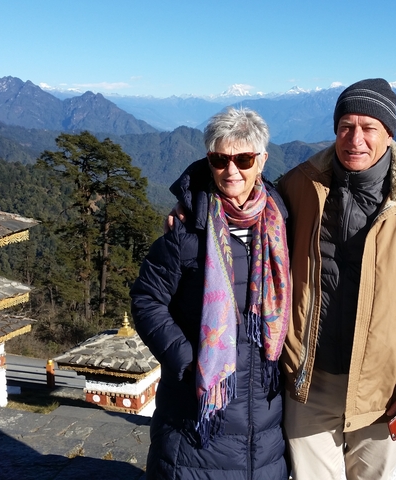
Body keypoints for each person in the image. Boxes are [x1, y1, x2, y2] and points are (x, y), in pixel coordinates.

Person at [277, 78, 396, 480]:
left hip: (386, 387)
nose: (355, 139)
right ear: (334, 129)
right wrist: (189, 204)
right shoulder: (301, 186)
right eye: (346, 126)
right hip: (310, 379)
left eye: (369, 128)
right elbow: (241, 194)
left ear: (390, 134)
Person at [130, 107, 290, 479]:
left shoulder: (281, 224)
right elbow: (146, 299)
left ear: (262, 161)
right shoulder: (187, 230)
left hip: (264, 419)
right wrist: (187, 360)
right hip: (196, 412)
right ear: (209, 160)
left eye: (244, 159)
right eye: (220, 159)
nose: (231, 170)